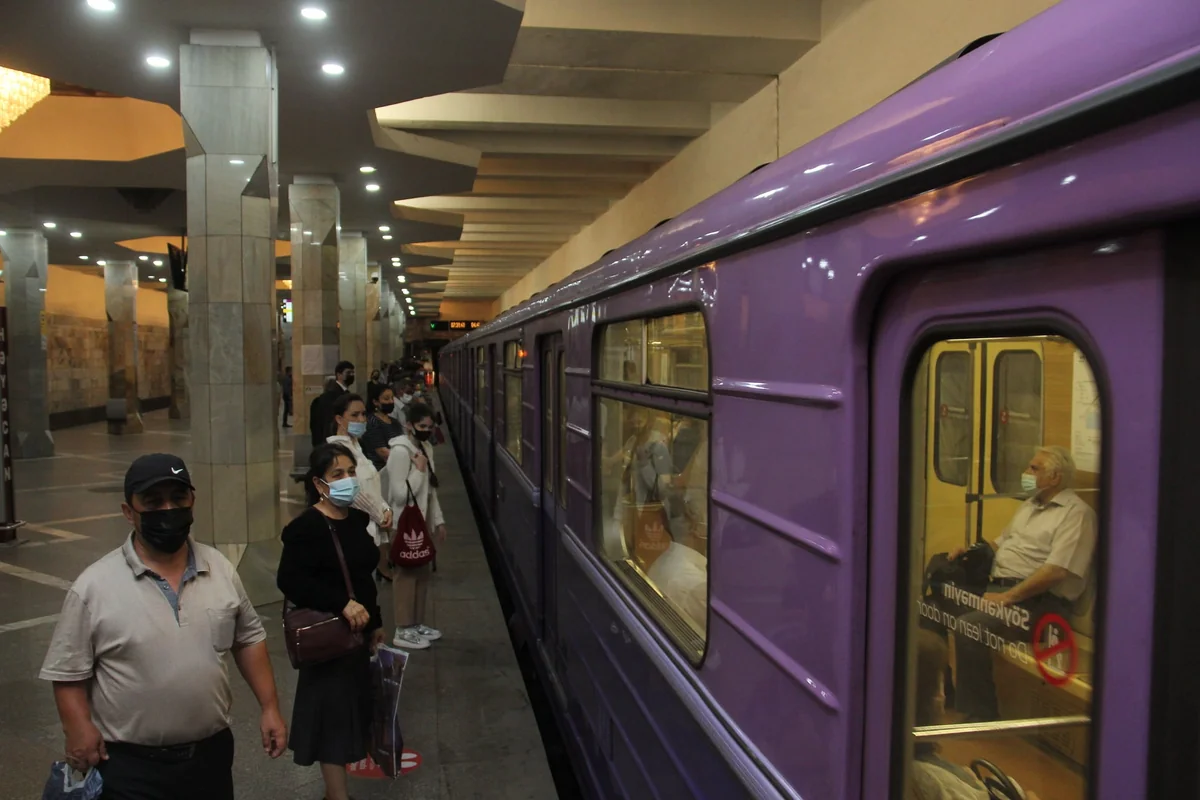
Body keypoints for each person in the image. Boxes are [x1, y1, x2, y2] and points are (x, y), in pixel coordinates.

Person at [39, 454, 288, 800]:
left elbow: (247, 639)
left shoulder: (219, 568)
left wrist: (269, 706)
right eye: (153, 502)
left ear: (192, 501)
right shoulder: (94, 587)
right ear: (129, 512)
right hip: (130, 766)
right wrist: (77, 727)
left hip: (210, 758)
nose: (168, 510)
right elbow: (68, 672)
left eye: (178, 498)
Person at [949, 445, 1097, 721]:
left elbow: (1056, 572)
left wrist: (1007, 598)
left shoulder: (1077, 515)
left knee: (970, 627)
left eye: (1034, 468)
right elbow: (1002, 543)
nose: (1026, 473)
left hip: (1041, 604)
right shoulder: (1029, 505)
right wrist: (968, 553)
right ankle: (944, 694)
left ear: (1055, 477)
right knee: (939, 600)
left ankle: (981, 714)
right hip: (1002, 589)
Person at [276, 443, 384, 800]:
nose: (347, 479)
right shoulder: (306, 528)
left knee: (351, 712)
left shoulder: (356, 520)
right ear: (319, 484)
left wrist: (376, 622)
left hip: (357, 636)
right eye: (337, 474)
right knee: (331, 721)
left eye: (351, 472)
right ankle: (338, 796)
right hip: (329, 640)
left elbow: (364, 578)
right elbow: (290, 581)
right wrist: (341, 604)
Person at [386, 401, 447, 649]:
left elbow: (431, 490)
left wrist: (439, 520)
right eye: (422, 426)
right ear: (409, 425)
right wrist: (419, 470)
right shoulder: (400, 452)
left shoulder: (426, 447)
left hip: (422, 521)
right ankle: (402, 628)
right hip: (404, 523)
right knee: (405, 576)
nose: (427, 431)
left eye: (430, 427)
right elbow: (399, 494)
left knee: (422, 573)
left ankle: (417, 623)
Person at [326, 393, 394, 582]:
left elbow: (372, 486)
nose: (361, 420)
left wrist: (386, 508)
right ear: (339, 419)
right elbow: (353, 492)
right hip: (353, 531)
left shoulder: (356, 447)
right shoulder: (336, 450)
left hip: (369, 529)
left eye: (363, 414)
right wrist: (380, 514)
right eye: (354, 415)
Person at [309, 360, 355, 446]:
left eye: (353, 372)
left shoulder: (345, 394)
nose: (352, 375)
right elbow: (326, 423)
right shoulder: (331, 397)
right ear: (339, 375)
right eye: (348, 372)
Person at [361, 385, 402, 472]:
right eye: (386, 399)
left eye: (392, 398)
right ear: (375, 402)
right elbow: (382, 451)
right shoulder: (372, 421)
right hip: (379, 470)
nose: (391, 401)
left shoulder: (395, 422)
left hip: (397, 466)